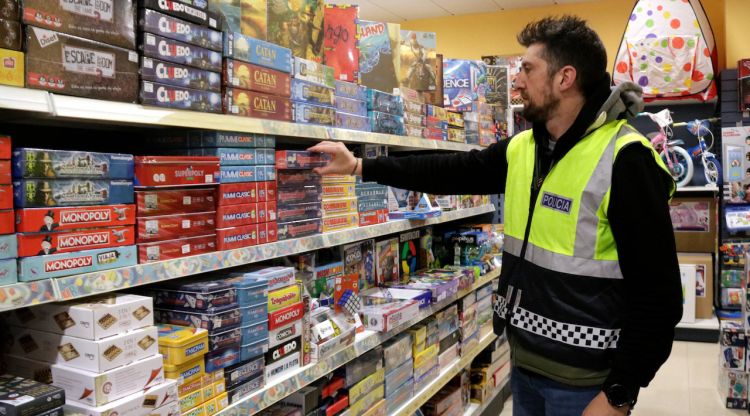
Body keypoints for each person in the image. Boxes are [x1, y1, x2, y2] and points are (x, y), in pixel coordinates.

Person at [310, 15, 682, 416]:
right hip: (524, 369)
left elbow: (659, 299)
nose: (516, 81)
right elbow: (450, 171)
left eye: (527, 68)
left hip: (586, 384)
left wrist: (619, 394)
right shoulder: (525, 148)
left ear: (565, 78)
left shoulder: (626, 160)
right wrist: (360, 167)